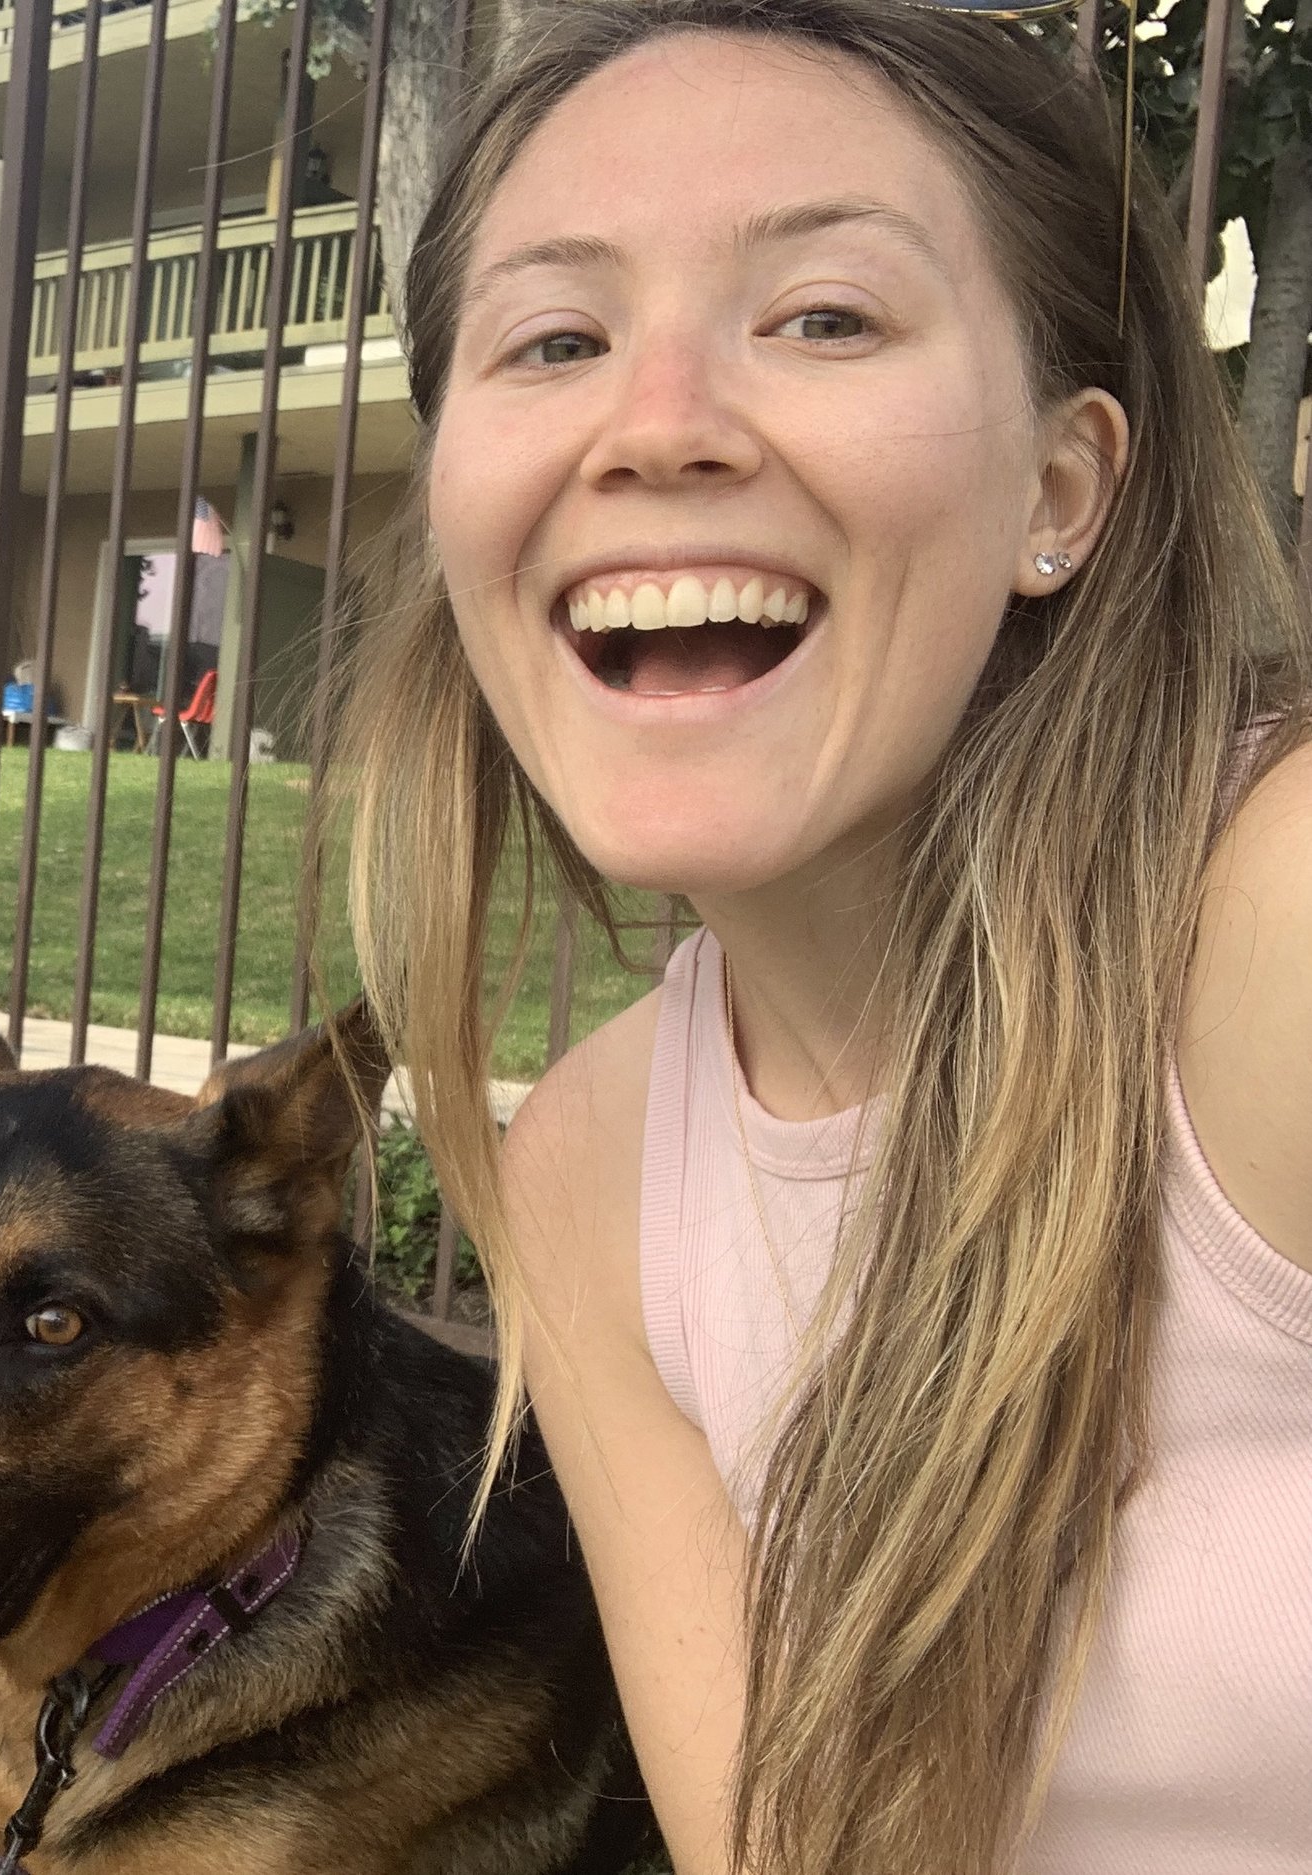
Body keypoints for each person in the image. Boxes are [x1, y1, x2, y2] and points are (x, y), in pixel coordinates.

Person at [339, 5, 1312, 1872]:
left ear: (1060, 488)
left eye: (824, 317)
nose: (661, 425)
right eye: (555, 338)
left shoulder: (1269, 934)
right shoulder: (592, 1169)